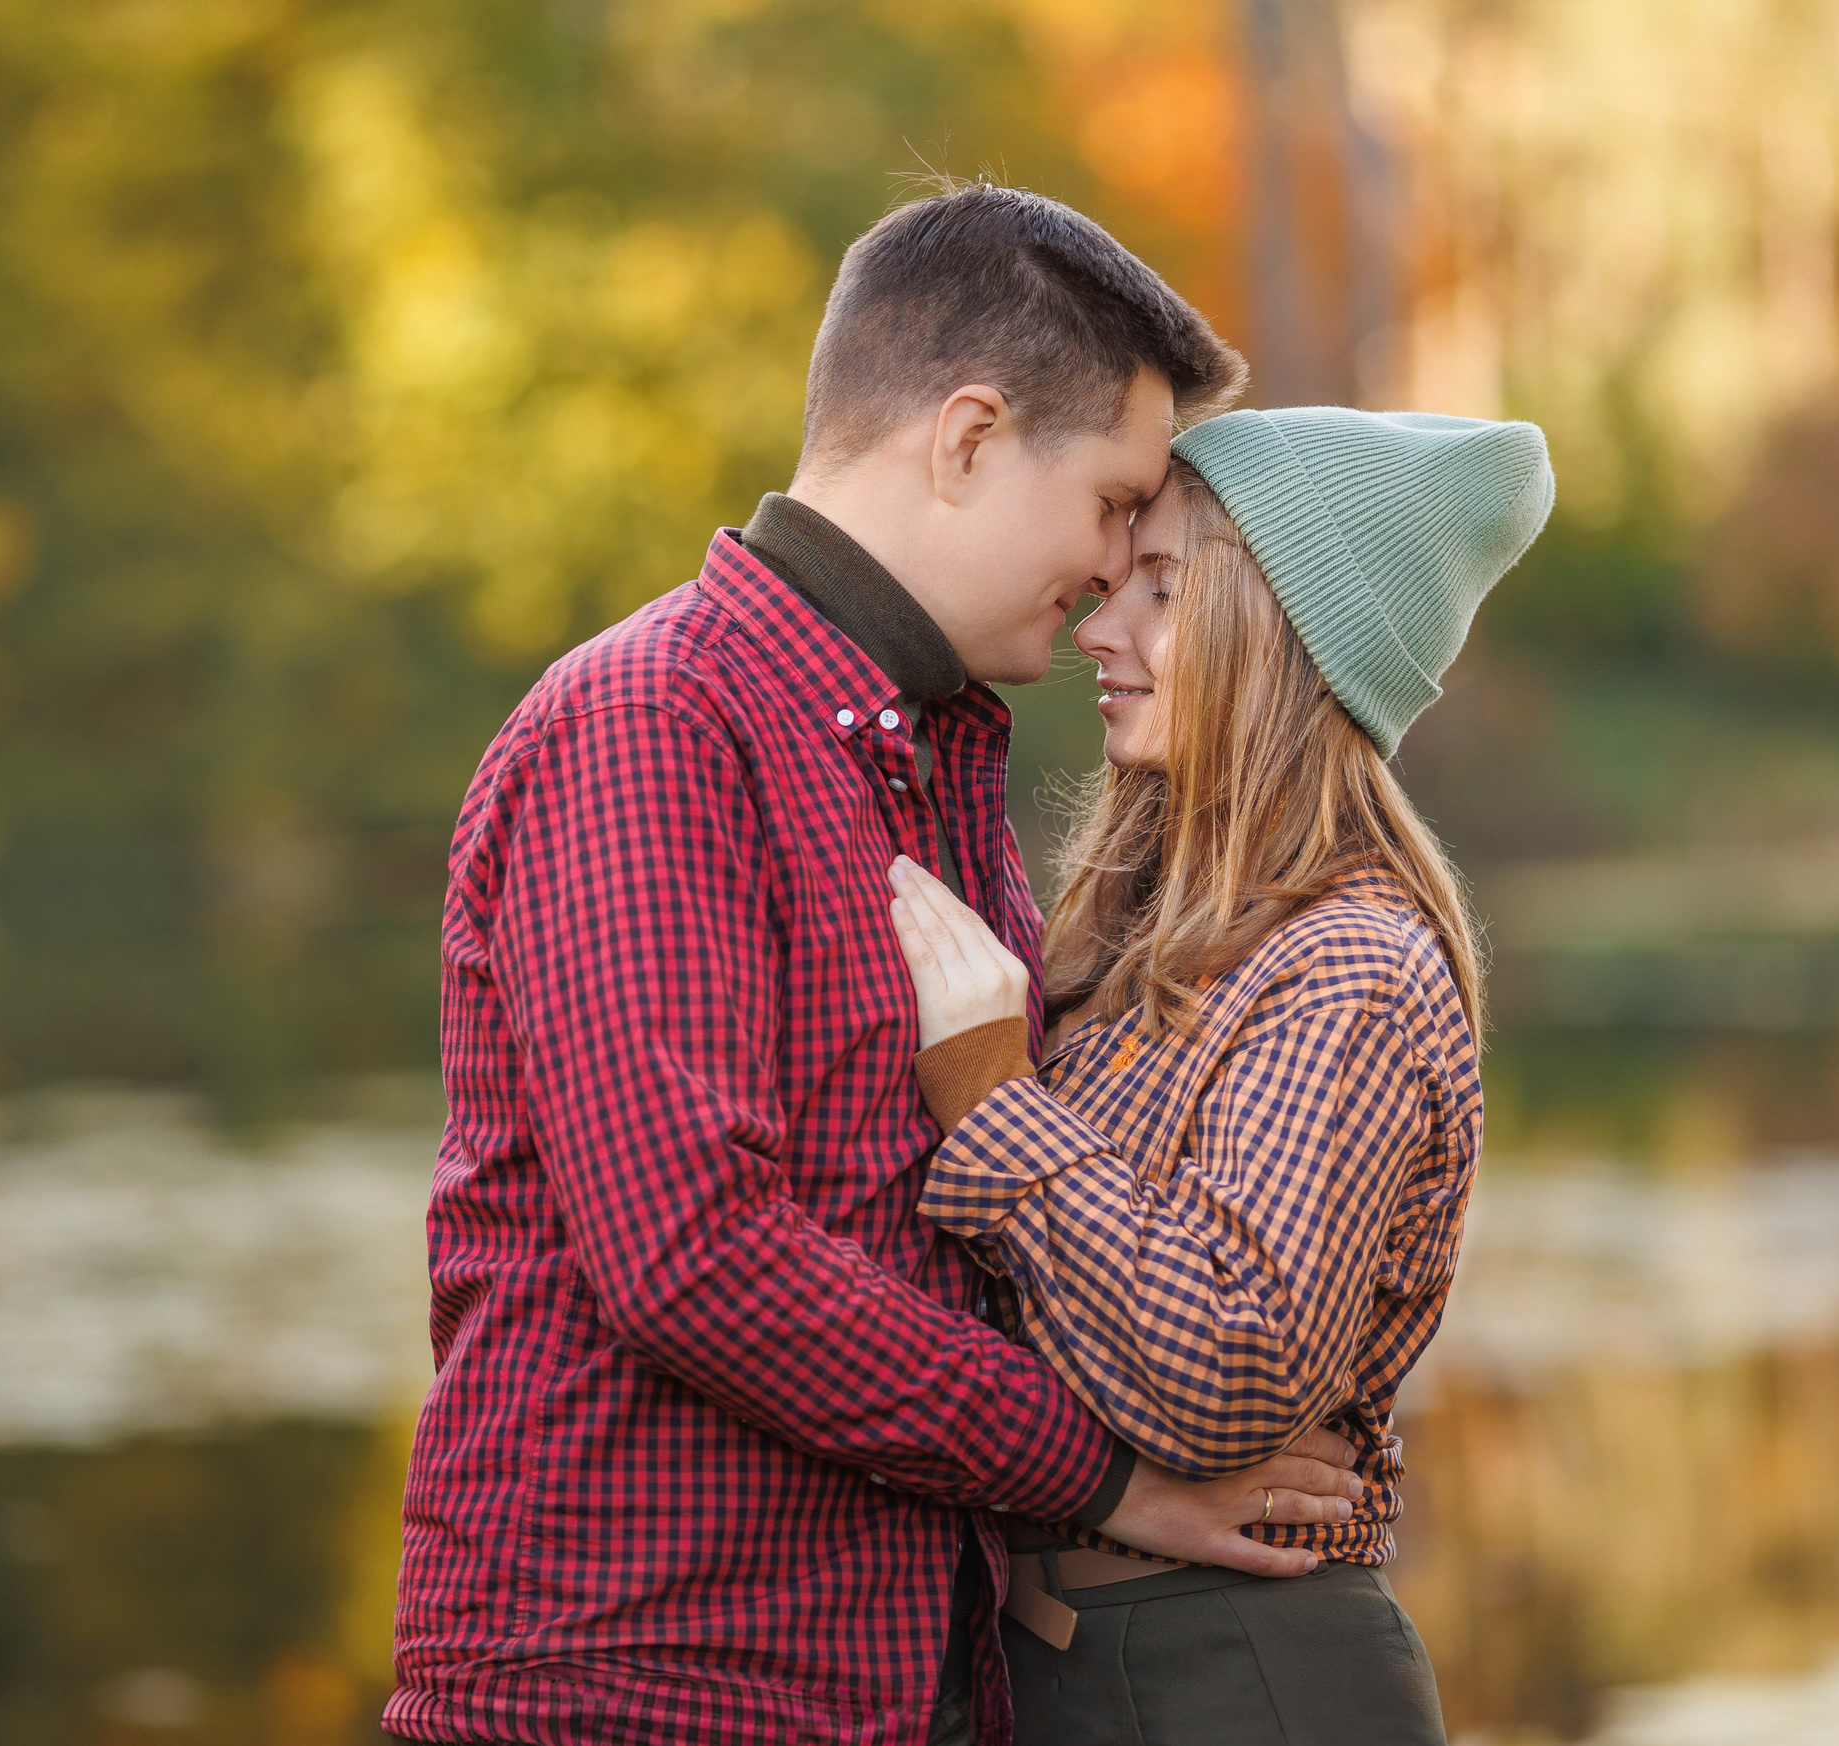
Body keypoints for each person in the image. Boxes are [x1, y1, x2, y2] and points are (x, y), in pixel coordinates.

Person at [387, 183, 1373, 1746]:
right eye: (1118, 502)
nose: (1119, 569)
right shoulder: (655, 724)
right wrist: (1116, 1479)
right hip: (639, 1694)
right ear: (969, 437)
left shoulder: (933, 763)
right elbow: (694, 1252)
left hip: (888, 1691)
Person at [886, 406, 1555, 1744]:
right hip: (1070, 1654)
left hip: (1233, 1670)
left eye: (1165, 589)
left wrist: (996, 1110)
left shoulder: (1350, 963)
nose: (1096, 628)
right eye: (1115, 577)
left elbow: (1229, 1360)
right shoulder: (1128, 936)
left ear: (1288, 636)